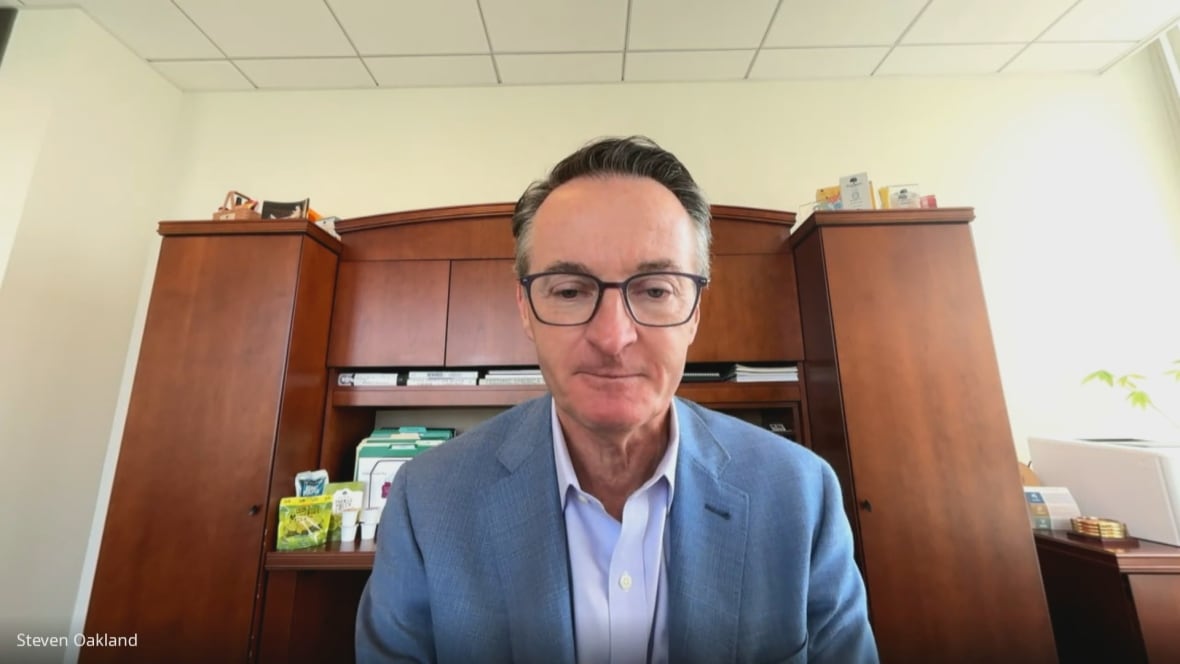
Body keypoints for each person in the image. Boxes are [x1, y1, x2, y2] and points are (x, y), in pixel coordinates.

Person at [355, 136, 878, 664]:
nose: (612, 336)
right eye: (570, 290)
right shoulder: (429, 501)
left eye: (654, 290)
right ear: (525, 308)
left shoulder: (800, 497)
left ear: (694, 312)